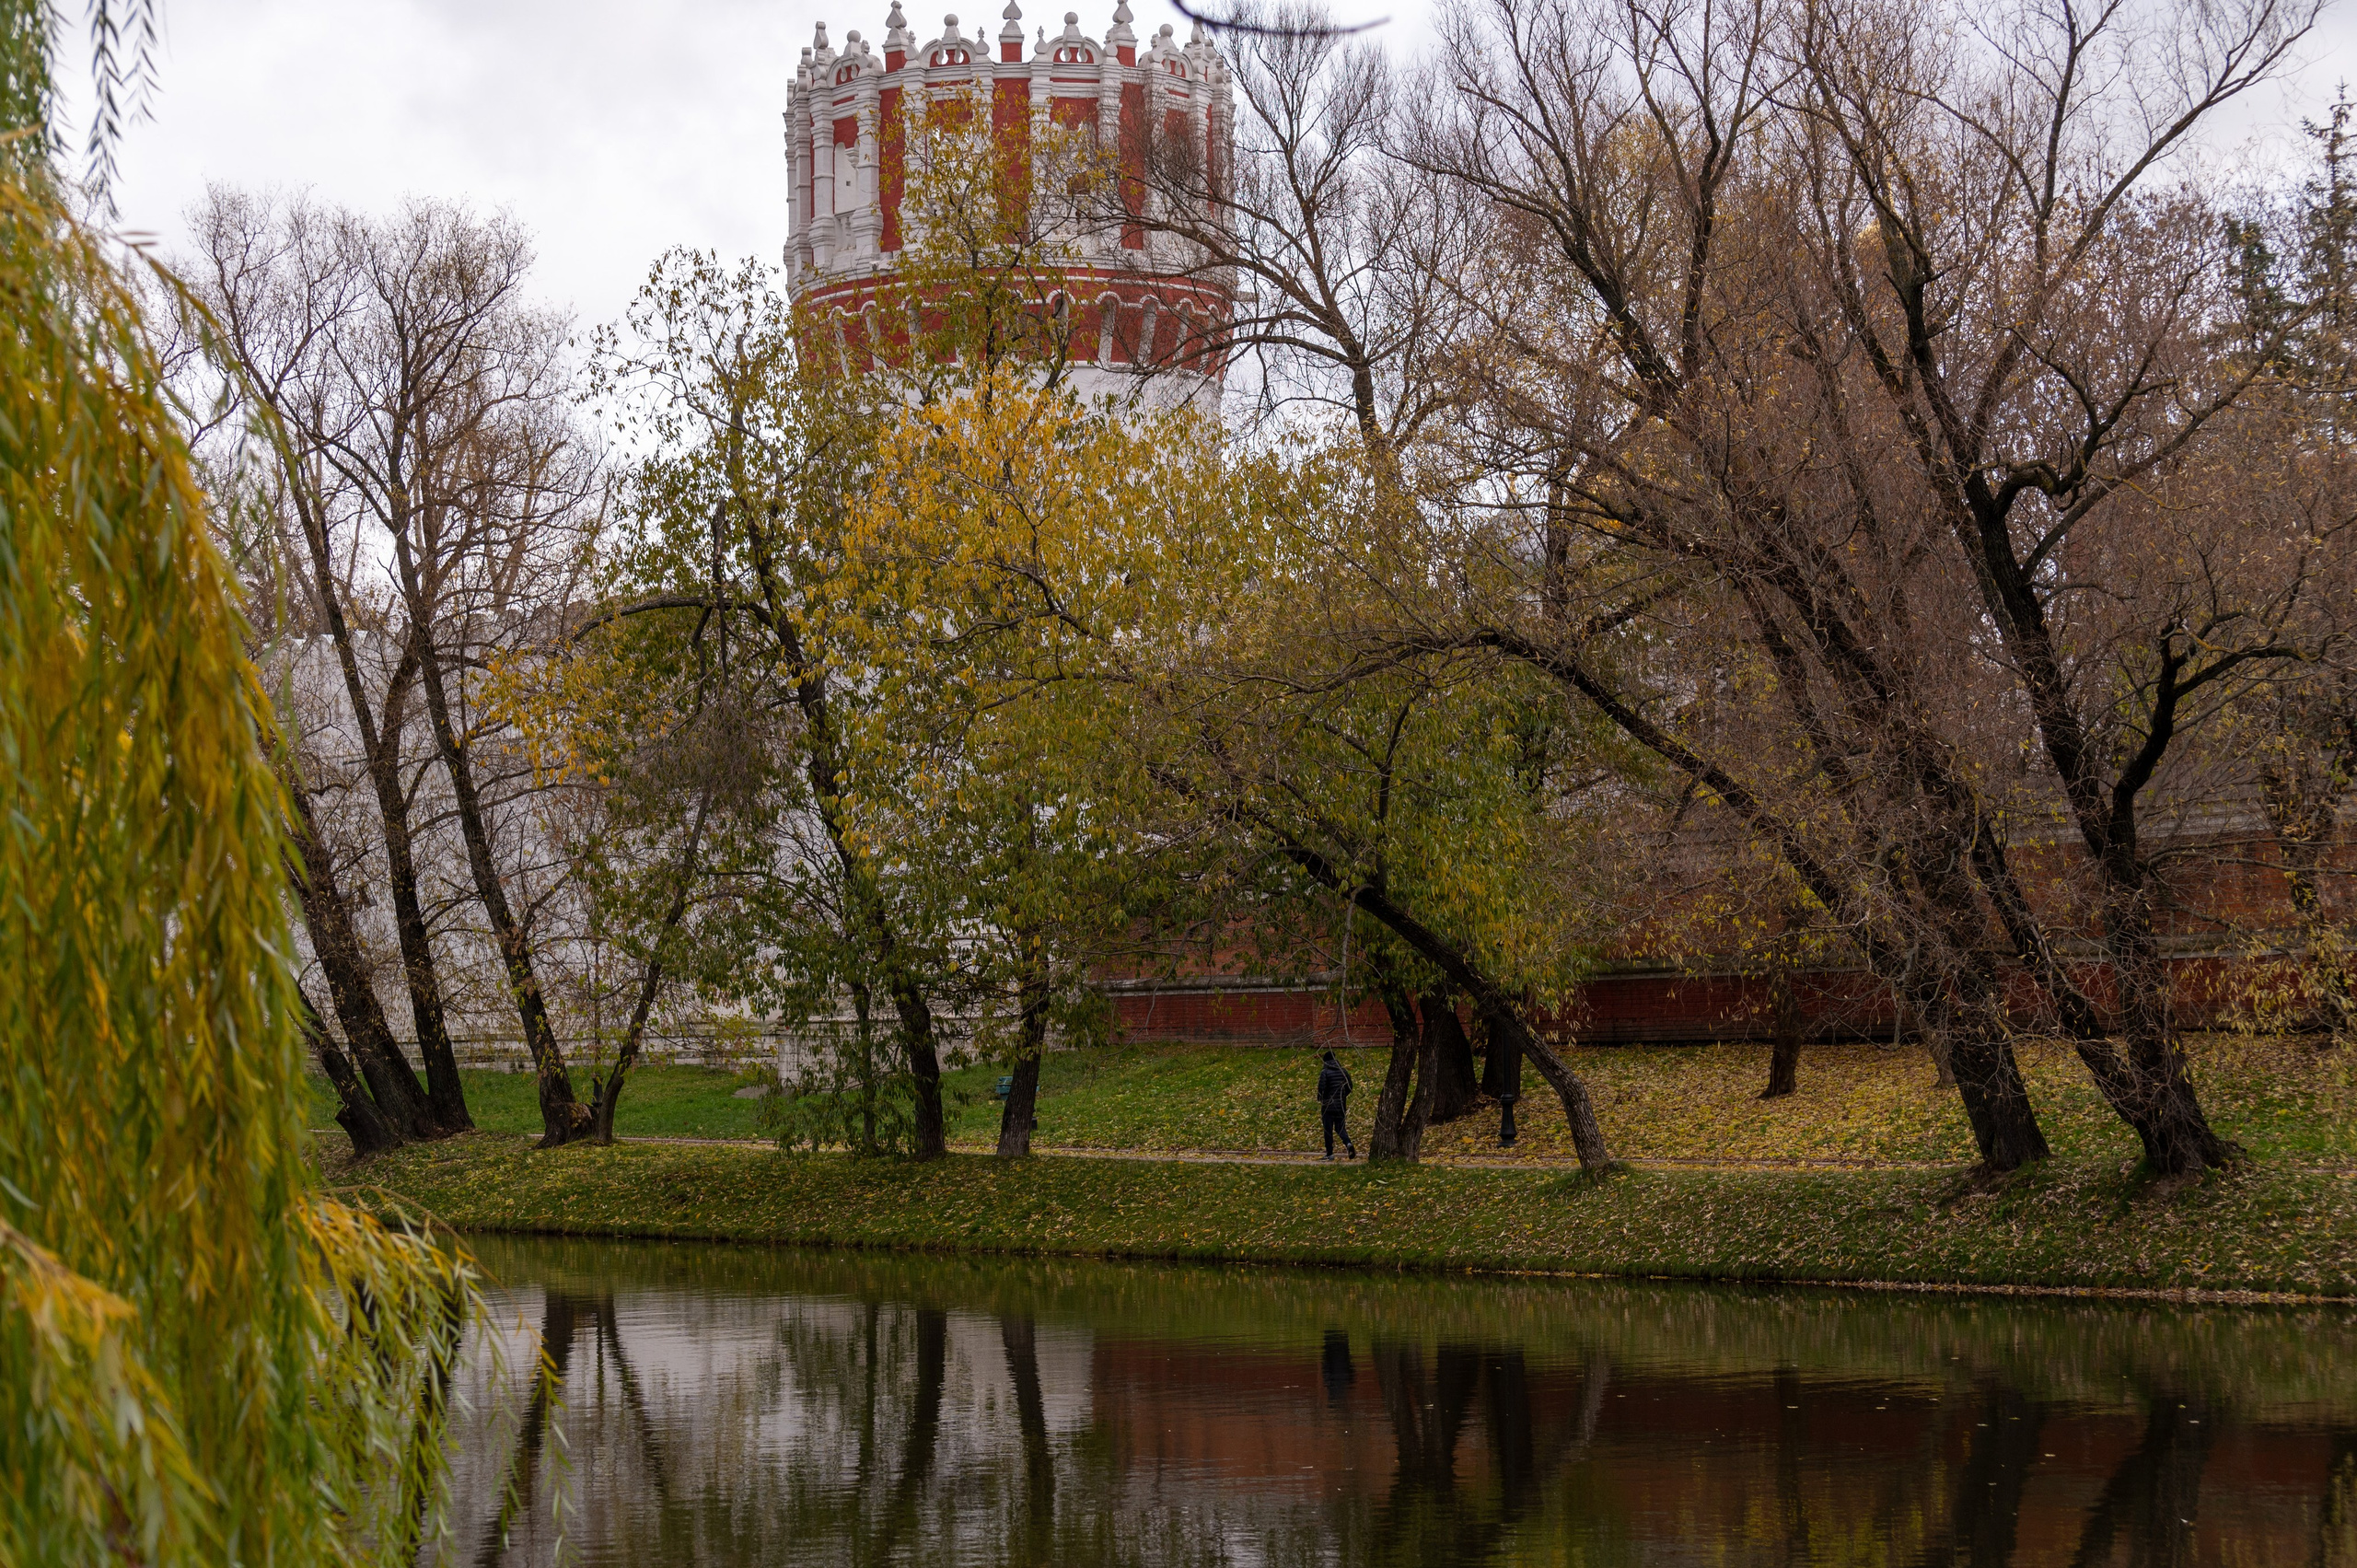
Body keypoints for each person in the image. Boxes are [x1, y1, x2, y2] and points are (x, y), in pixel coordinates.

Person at [1314, 1049, 1357, 1160]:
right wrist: (1342, 1097)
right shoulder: (1343, 1071)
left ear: (1326, 1062)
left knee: (1328, 1130)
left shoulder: (1325, 1072)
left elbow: (1322, 1089)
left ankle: (1329, 1154)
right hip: (1341, 1105)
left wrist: (1321, 1099)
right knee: (1340, 1128)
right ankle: (1348, 1144)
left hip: (1328, 1106)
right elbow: (1349, 1087)